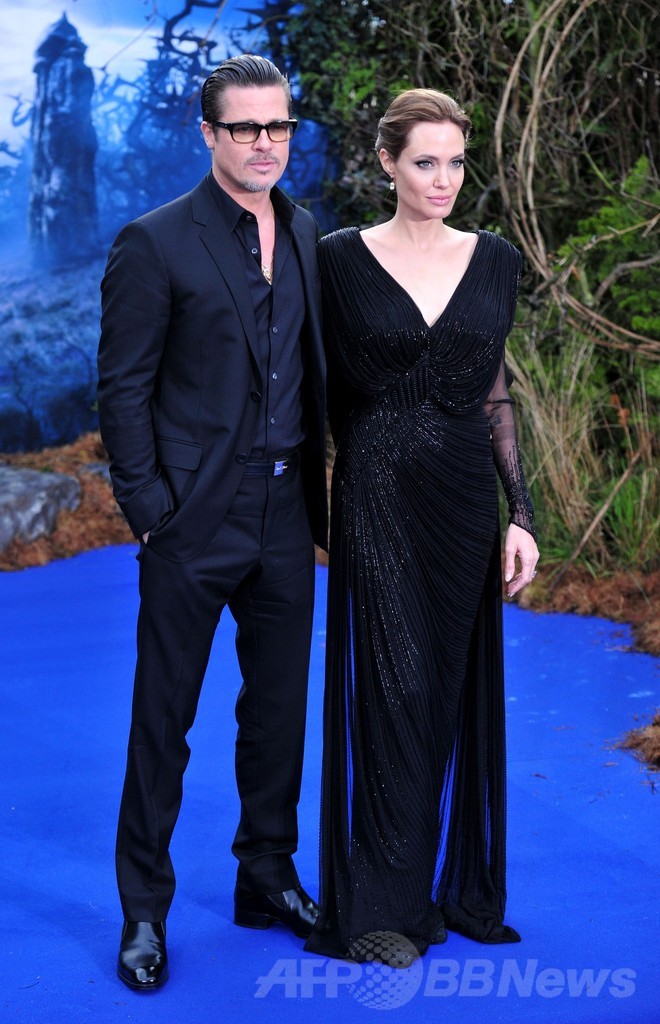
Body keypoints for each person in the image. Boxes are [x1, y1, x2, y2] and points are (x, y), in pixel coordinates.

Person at [97, 54, 327, 991]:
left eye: (278, 126)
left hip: (286, 513)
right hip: (193, 519)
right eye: (245, 127)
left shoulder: (306, 232)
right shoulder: (153, 242)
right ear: (209, 134)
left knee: (277, 712)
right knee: (164, 718)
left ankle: (266, 875)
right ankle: (143, 910)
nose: (265, 143)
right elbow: (122, 389)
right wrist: (151, 512)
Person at [304, 88, 539, 966]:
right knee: (392, 688)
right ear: (387, 163)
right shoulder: (338, 258)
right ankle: (380, 908)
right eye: (425, 162)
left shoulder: (496, 260)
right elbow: (315, 392)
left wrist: (521, 516)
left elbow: (494, 396)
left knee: (444, 690)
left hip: (465, 501)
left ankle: (434, 890)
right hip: (377, 497)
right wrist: (310, 504)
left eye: (456, 162)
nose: (444, 180)